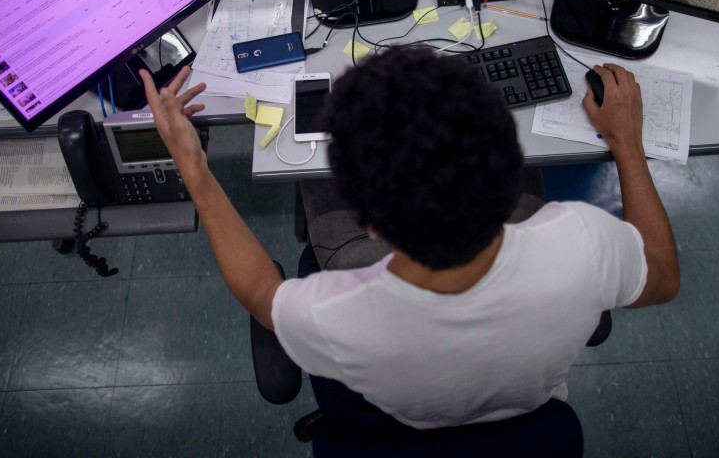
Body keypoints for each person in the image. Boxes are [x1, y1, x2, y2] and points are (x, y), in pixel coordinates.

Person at [139, 46, 678, 430]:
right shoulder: (581, 242)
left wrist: (194, 168)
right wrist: (627, 143)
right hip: (526, 412)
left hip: (410, 419)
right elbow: (663, 274)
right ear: (512, 174)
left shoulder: (336, 313)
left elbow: (261, 295)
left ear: (369, 223)